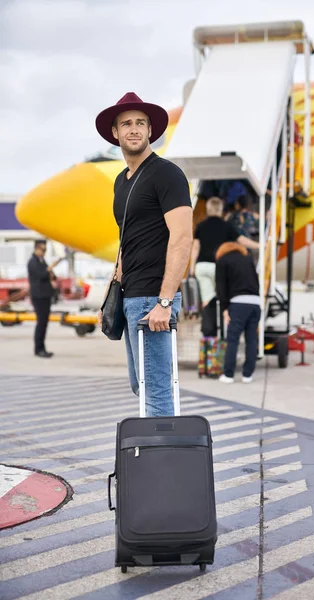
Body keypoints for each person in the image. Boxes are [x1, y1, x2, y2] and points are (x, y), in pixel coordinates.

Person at [95, 92, 192, 417]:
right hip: (131, 297)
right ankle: (158, 461)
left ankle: (164, 466)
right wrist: (110, 295)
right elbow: (126, 243)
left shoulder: (167, 174)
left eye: (140, 123)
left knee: (156, 393)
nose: (133, 129)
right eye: (126, 124)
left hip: (154, 298)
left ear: (151, 130)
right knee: (142, 387)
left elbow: (181, 238)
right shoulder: (121, 183)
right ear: (115, 133)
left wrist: (165, 302)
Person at [189, 196, 259, 308]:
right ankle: (220, 322)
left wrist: (192, 266)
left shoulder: (201, 226)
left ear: (208, 209)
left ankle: (208, 322)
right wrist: (259, 245)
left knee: (207, 299)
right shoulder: (226, 226)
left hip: (202, 266)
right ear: (220, 209)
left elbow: (195, 247)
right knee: (222, 297)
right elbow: (241, 240)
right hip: (218, 266)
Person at [215, 241, 261, 383]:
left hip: (238, 303)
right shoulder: (248, 259)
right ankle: (248, 375)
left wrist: (224, 308)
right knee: (252, 339)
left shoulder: (223, 260)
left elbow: (221, 287)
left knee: (233, 339)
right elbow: (256, 282)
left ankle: (228, 375)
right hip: (255, 303)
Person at [27, 240, 64, 358]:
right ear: (36, 249)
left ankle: (41, 347)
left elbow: (51, 276)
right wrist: (49, 268)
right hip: (39, 296)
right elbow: (41, 276)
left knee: (44, 323)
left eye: (45, 250)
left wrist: (51, 271)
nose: (44, 252)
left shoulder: (42, 261)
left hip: (45, 295)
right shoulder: (32, 262)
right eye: (43, 250)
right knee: (41, 323)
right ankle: (39, 349)